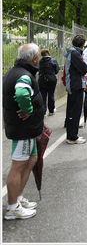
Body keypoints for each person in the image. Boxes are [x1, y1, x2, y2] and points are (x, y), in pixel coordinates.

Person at [3, 43, 44, 220]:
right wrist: (27, 109)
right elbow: (21, 93)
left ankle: (18, 199)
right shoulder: (23, 75)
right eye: (39, 56)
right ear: (34, 58)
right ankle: (13, 208)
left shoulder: (19, 71)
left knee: (31, 159)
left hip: (26, 129)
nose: (40, 59)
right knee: (18, 166)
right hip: (23, 129)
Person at [65, 34, 87, 144]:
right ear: (83, 44)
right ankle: (72, 137)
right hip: (76, 85)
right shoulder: (75, 54)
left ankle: (71, 135)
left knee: (72, 110)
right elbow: (84, 69)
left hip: (73, 85)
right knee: (75, 111)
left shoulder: (72, 52)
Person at [38, 48, 60, 117]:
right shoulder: (53, 60)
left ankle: (44, 112)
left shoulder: (40, 61)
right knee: (51, 95)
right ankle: (51, 110)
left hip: (42, 81)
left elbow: (38, 69)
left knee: (43, 97)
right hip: (51, 80)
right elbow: (57, 70)